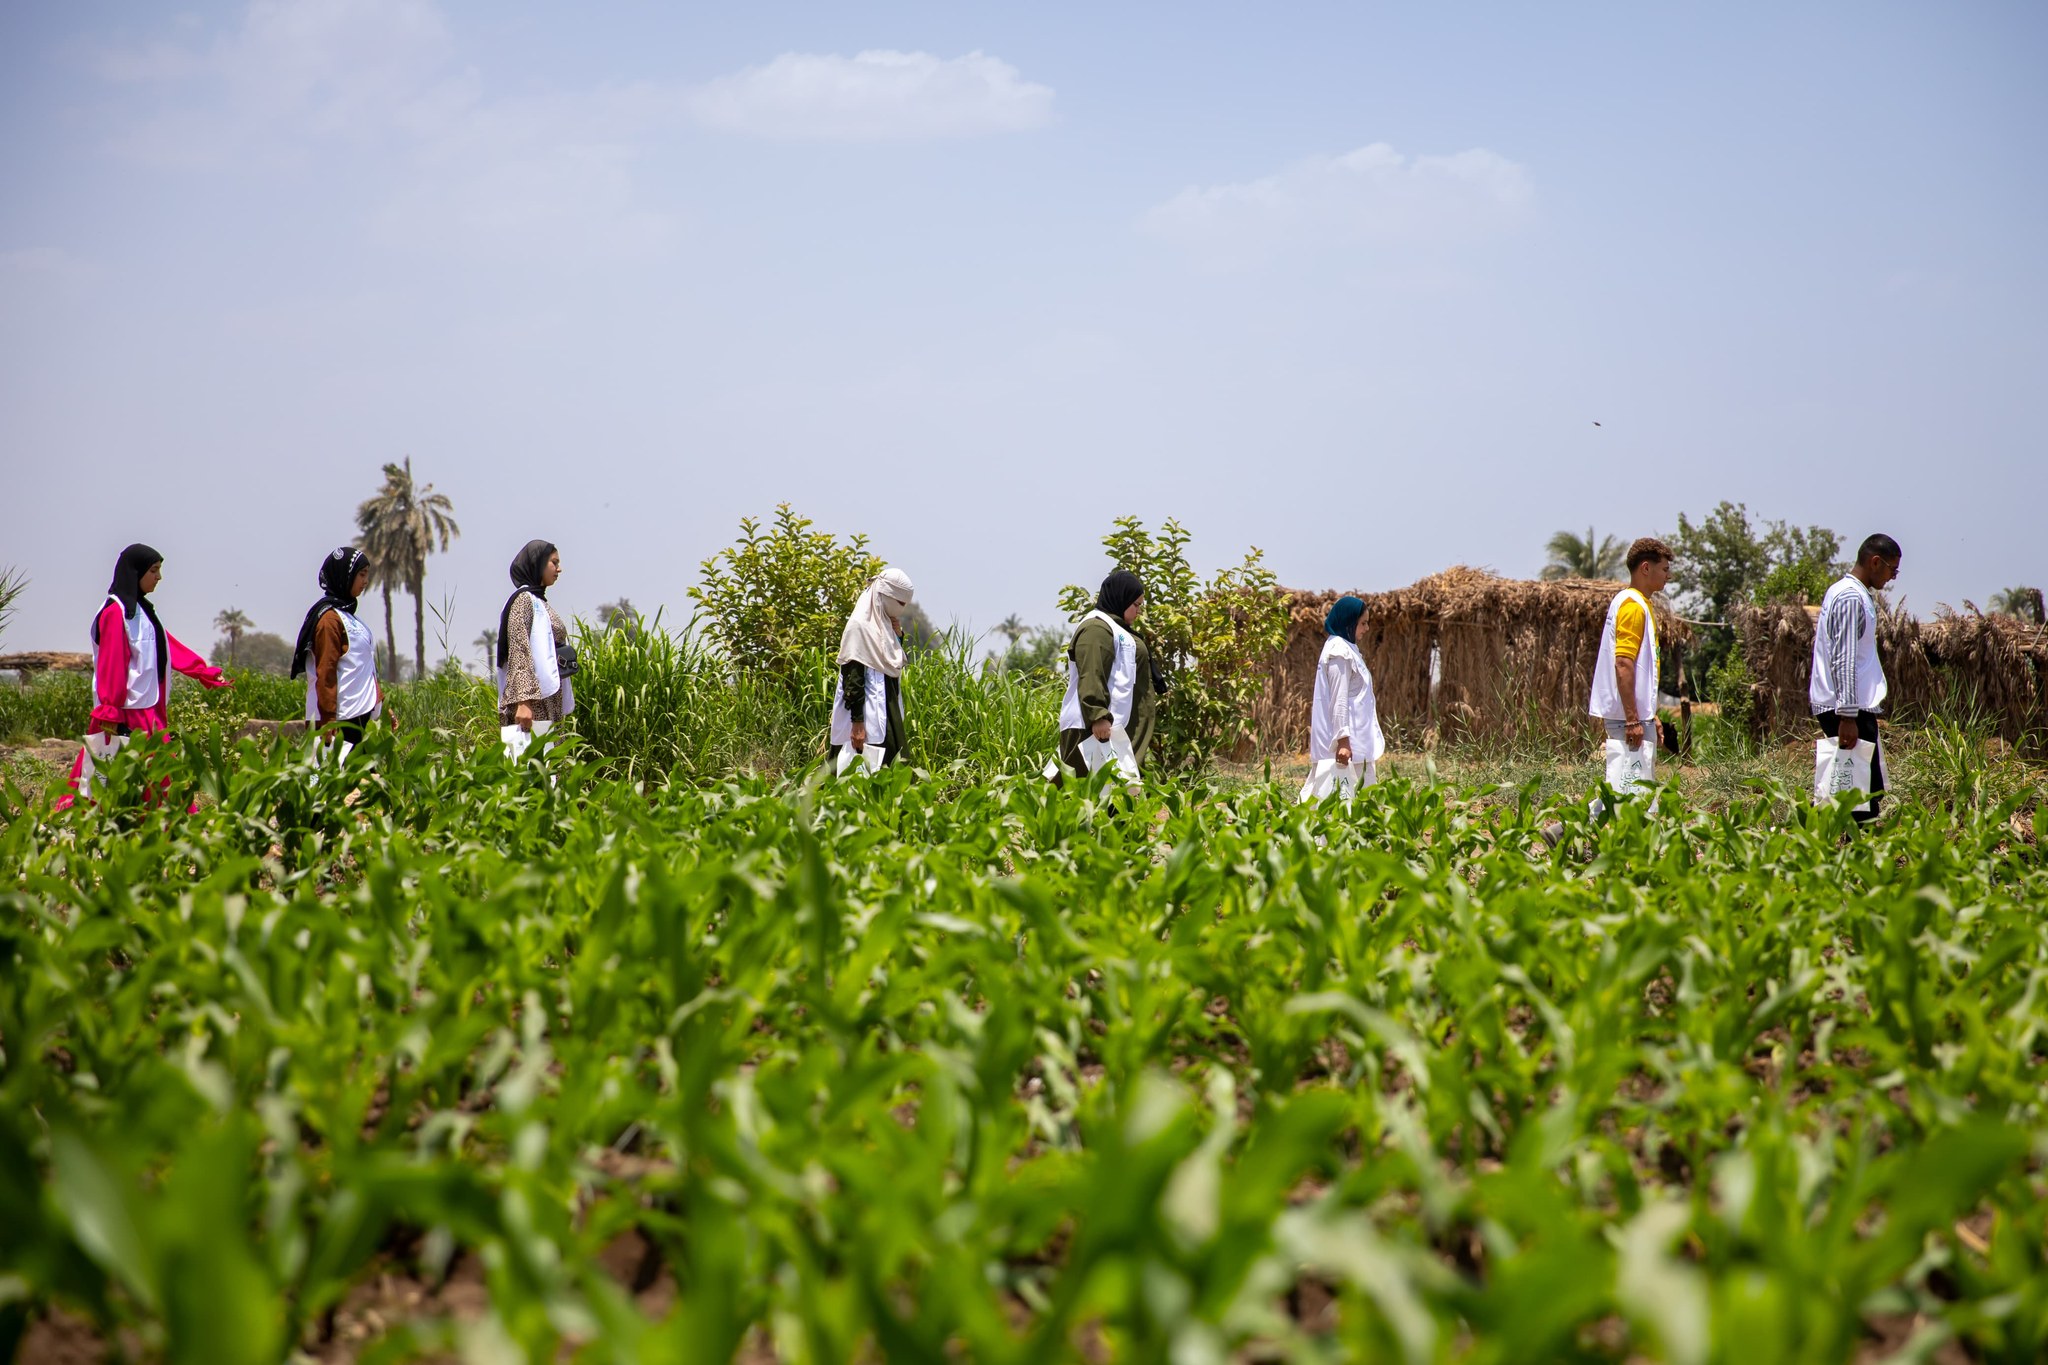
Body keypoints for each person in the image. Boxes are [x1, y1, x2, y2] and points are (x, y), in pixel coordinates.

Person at [58, 543, 231, 808]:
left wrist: (203, 672)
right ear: (135, 572)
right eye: (154, 570)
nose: (158, 578)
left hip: (148, 707)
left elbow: (167, 645)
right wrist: (110, 712)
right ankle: (175, 825)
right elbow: (112, 665)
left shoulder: (142, 612)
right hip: (126, 712)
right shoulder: (115, 612)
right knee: (117, 774)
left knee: (133, 775)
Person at [1810, 533, 1901, 825]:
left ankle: (1842, 856)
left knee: (1854, 793)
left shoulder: (1850, 593)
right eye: (1892, 569)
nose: (1892, 577)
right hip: (1850, 710)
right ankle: (1855, 859)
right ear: (1875, 562)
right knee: (1862, 801)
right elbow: (1844, 658)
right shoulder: (1850, 596)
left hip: (1851, 709)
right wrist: (1847, 715)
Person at [1055, 570, 1158, 781]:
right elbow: (1092, 672)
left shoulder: (1114, 628)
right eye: (1135, 605)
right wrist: (1098, 716)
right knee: (1080, 794)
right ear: (1121, 599)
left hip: (1113, 728)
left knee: (1111, 796)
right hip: (1094, 728)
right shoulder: (1096, 629)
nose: (1139, 611)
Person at [291, 546, 383, 755]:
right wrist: (329, 720)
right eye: (361, 574)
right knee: (334, 784)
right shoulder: (329, 620)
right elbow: (326, 671)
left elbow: (365, 668)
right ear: (345, 576)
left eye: (367, 574)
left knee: (361, 782)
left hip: (357, 716)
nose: (366, 581)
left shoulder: (352, 618)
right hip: (337, 721)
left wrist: (381, 704)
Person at [828, 567, 915, 773]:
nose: (901, 609)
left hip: (888, 709)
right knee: (856, 771)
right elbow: (853, 677)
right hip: (865, 714)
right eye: (900, 603)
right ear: (884, 596)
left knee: (892, 771)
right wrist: (857, 723)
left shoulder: (884, 624)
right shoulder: (859, 626)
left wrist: (897, 636)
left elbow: (893, 662)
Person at [1300, 595, 1385, 804]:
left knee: (1348, 799)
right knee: (1339, 799)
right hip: (1347, 743)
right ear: (1349, 622)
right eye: (1363, 623)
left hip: (1355, 740)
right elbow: (1338, 699)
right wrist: (1343, 741)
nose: (1366, 628)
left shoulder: (1346, 648)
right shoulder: (1339, 652)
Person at [496, 540, 575, 757]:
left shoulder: (539, 601)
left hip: (549, 700)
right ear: (538, 563)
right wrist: (523, 702)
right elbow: (519, 650)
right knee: (533, 769)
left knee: (551, 770)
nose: (559, 569)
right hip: (534, 704)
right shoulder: (523, 601)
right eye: (554, 562)